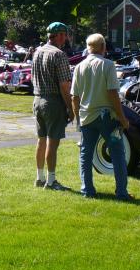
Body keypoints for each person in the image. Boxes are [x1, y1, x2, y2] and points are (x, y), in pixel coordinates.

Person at [71, 33, 132, 199]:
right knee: (117, 153)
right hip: (107, 117)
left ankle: (87, 190)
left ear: (88, 48)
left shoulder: (79, 67)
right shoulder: (108, 65)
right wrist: (122, 117)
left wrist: (77, 119)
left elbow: (74, 97)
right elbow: (113, 93)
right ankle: (121, 192)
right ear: (103, 47)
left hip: (86, 116)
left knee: (86, 154)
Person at [31, 22, 74, 190]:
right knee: (53, 142)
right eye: (64, 34)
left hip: (37, 99)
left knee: (41, 140)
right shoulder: (59, 54)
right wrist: (70, 107)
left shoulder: (37, 52)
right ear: (58, 35)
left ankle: (39, 178)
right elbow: (65, 86)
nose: (66, 37)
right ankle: (51, 181)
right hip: (53, 102)